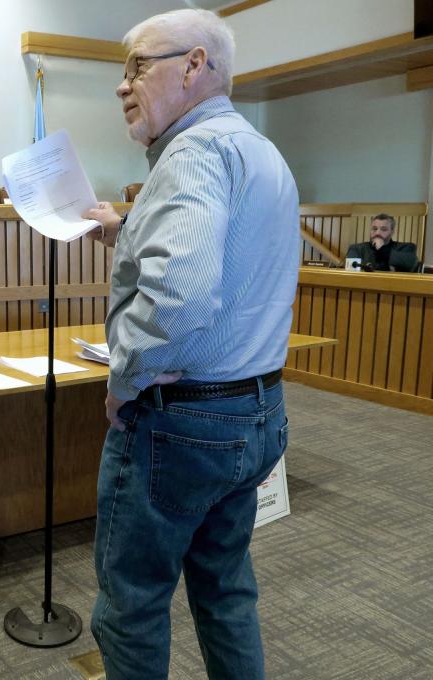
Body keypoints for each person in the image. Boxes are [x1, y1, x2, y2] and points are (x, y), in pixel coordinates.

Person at [80, 9, 299, 679]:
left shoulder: (192, 153)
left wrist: (125, 380)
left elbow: (180, 300)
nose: (123, 86)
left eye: (138, 67)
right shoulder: (259, 150)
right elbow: (226, 263)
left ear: (195, 64)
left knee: (132, 606)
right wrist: (127, 229)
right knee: (225, 588)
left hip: (183, 423)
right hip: (259, 413)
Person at [345, 213, 419, 272]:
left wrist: (382, 248)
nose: (377, 233)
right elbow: (351, 273)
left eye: (383, 229)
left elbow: (410, 264)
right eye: (374, 229)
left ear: (392, 232)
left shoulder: (406, 248)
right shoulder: (357, 249)